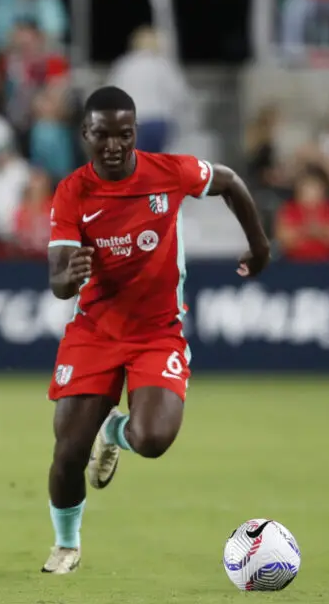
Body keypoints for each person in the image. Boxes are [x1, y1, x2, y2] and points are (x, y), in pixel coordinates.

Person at [41, 86, 270, 574]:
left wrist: (260, 244)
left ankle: (115, 433)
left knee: (153, 438)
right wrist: (70, 275)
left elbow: (229, 182)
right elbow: (58, 280)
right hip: (96, 331)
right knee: (67, 452)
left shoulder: (170, 172)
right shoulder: (73, 192)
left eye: (124, 135)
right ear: (86, 133)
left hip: (157, 332)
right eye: (103, 135)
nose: (115, 146)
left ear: (135, 133)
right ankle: (66, 544)